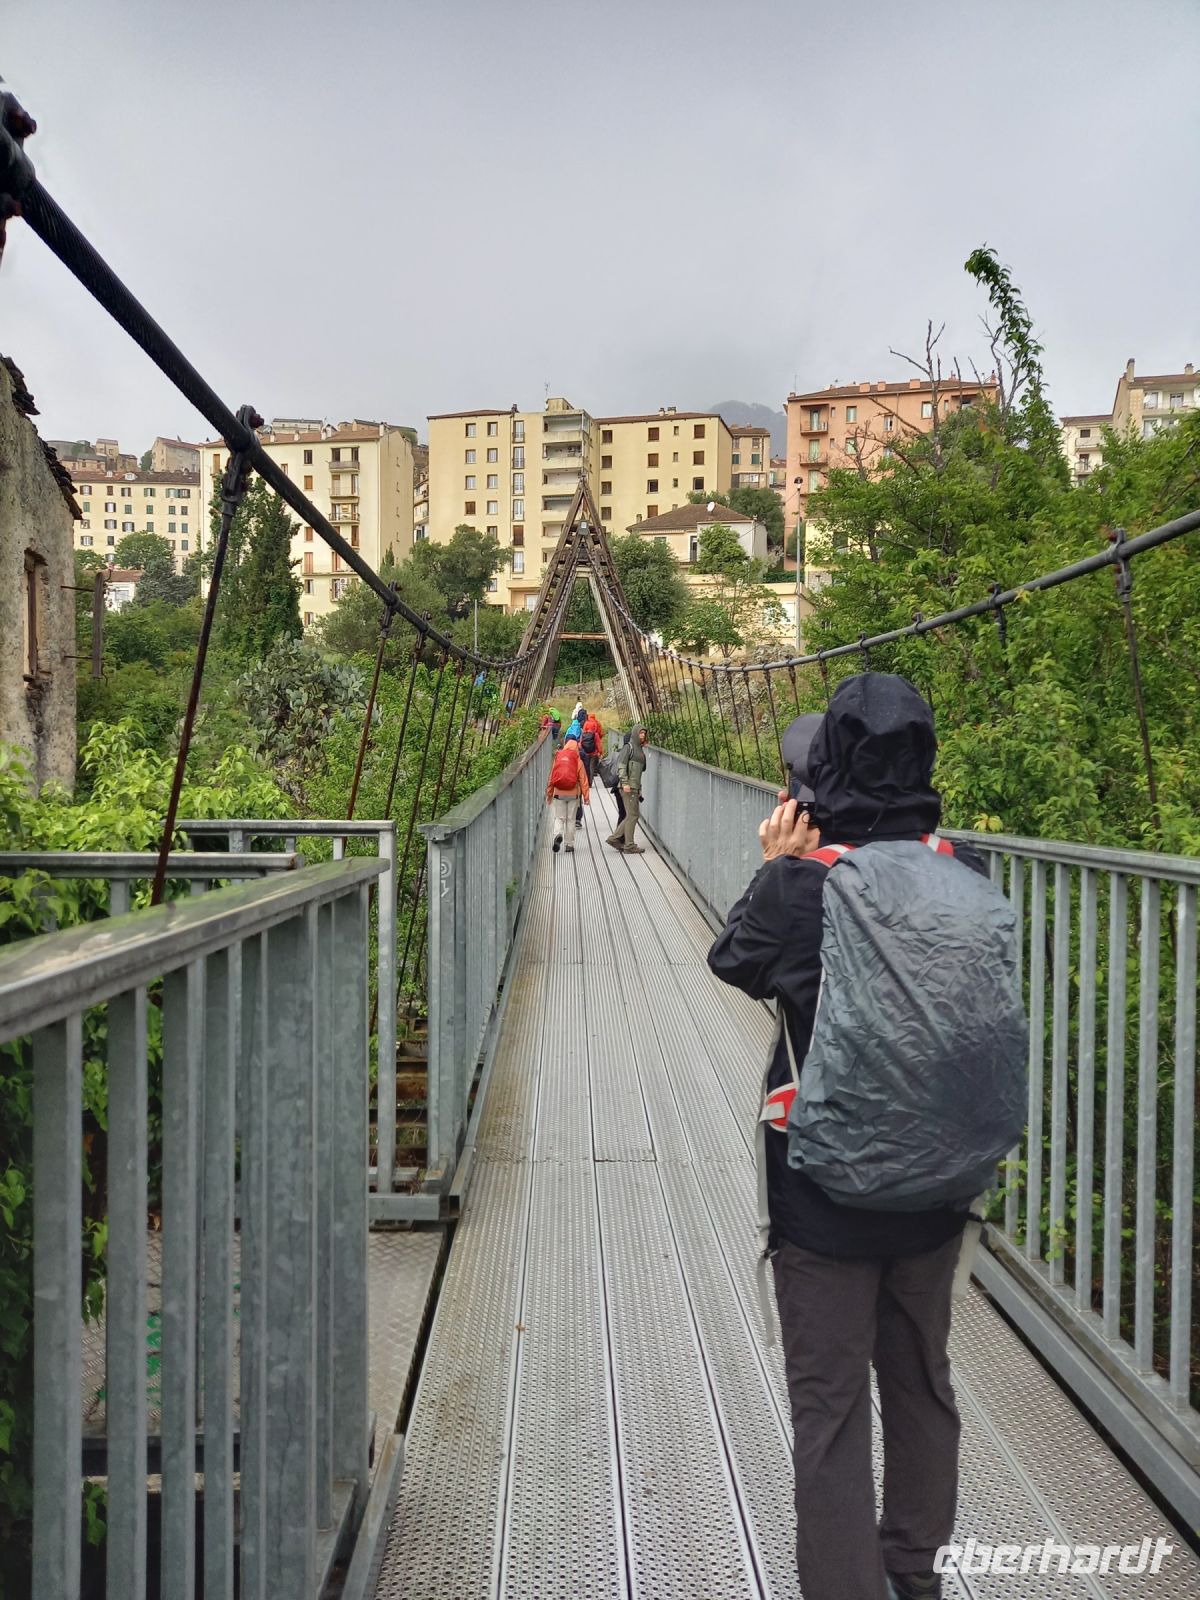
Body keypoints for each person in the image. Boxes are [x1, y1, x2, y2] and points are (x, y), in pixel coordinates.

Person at [707, 674, 1000, 1600]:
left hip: (822, 1197)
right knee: (922, 1386)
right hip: (938, 1187)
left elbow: (732, 959)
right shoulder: (968, 872)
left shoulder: (803, 889)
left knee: (830, 1412)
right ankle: (916, 1572)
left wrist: (777, 864)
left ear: (821, 777)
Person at [606, 723, 648, 854]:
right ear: (635, 733)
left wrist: (639, 788)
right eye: (641, 733)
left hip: (634, 787)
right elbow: (621, 766)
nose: (643, 735)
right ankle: (626, 844)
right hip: (628, 787)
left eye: (644, 733)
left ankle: (618, 840)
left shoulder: (639, 750)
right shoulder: (628, 748)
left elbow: (639, 772)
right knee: (632, 815)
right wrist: (625, 783)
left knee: (632, 815)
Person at [545, 735, 589, 853]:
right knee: (571, 819)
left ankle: (557, 835)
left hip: (559, 794)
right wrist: (586, 797)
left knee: (559, 818)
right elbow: (583, 780)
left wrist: (549, 794)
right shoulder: (578, 760)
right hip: (573, 795)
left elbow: (552, 778)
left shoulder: (558, 758)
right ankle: (569, 844)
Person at [577, 711, 605, 823]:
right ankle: (590, 782)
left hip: (585, 752)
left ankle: (585, 780)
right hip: (593, 752)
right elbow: (599, 740)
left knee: (585, 766)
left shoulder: (585, 726)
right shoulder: (596, 725)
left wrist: (581, 749)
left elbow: (580, 741)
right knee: (592, 767)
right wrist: (600, 752)